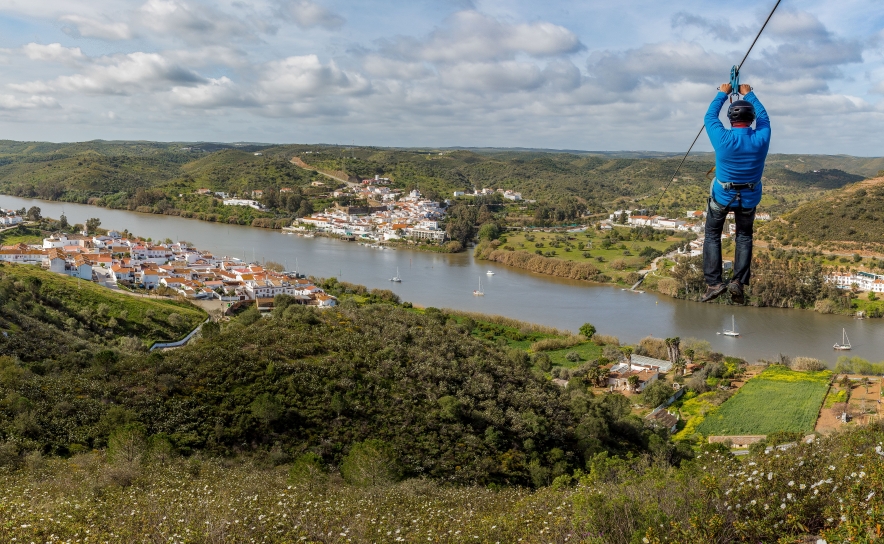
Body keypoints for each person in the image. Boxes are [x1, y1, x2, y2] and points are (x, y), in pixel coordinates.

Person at [700, 83, 771, 304]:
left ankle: (714, 283)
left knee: (712, 235)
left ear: (730, 118)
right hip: (749, 198)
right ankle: (737, 282)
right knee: (744, 236)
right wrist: (748, 93)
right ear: (751, 119)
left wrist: (723, 92)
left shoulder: (722, 138)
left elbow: (710, 116)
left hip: (723, 196)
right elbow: (764, 117)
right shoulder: (762, 137)